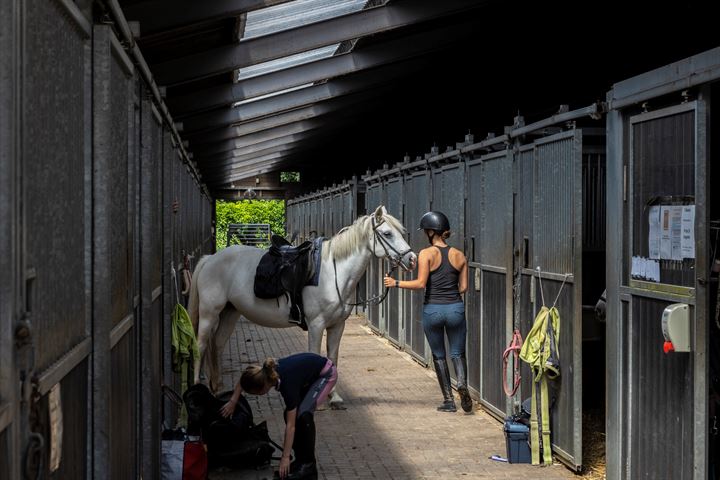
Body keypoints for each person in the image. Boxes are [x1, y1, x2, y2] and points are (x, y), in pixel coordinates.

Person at [384, 210, 472, 413]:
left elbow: (421, 283)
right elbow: (464, 287)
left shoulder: (426, 254)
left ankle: (449, 401)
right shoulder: (460, 256)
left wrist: (395, 282)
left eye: (426, 231)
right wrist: (449, 291)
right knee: (458, 352)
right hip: (455, 309)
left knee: (439, 355)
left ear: (432, 231)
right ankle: (462, 384)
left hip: (432, 309)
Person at [219, 352, 337, 480]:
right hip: (309, 376)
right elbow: (245, 379)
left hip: (326, 374)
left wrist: (285, 457)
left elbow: (291, 427)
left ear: (261, 389)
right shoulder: (264, 372)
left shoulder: (287, 384)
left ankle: (308, 466)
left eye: (254, 394)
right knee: (289, 415)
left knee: (303, 415)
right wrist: (233, 401)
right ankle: (300, 461)